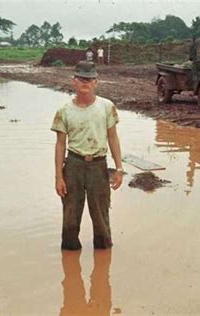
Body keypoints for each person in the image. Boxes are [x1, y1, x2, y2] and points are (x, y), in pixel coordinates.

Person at [51, 61, 123, 250]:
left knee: (100, 214)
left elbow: (113, 137)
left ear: (96, 83)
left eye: (89, 79)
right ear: (74, 81)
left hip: (98, 165)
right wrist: (59, 176)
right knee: (70, 214)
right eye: (81, 78)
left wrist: (119, 169)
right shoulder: (64, 111)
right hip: (73, 164)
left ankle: (103, 252)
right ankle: (70, 254)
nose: (85, 82)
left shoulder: (107, 107)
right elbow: (60, 145)